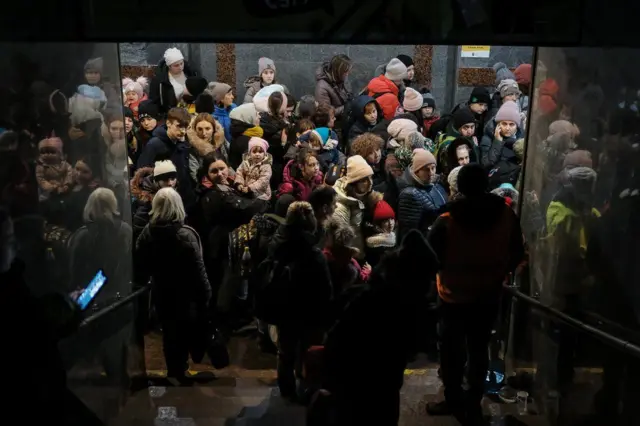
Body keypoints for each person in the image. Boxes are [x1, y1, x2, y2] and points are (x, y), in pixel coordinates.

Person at [426, 164, 525, 424]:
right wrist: (499, 271)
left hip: (453, 297)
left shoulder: (447, 219)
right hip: (489, 294)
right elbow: (517, 252)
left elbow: (431, 257)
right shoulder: (505, 214)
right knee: (479, 349)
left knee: (451, 351)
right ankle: (474, 400)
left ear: (460, 187)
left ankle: (453, 398)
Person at [135, 187, 212, 382]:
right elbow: (198, 269)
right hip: (186, 295)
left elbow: (141, 265)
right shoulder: (186, 234)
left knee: (169, 334)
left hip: (161, 292)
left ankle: (173, 371)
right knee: (186, 332)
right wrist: (206, 295)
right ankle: (183, 371)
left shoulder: (147, 233)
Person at [264, 201, 333, 402]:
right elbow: (325, 288)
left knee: (285, 351)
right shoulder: (313, 253)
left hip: (283, 309)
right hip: (309, 311)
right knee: (309, 350)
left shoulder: (276, 246)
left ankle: (286, 390)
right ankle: (308, 388)